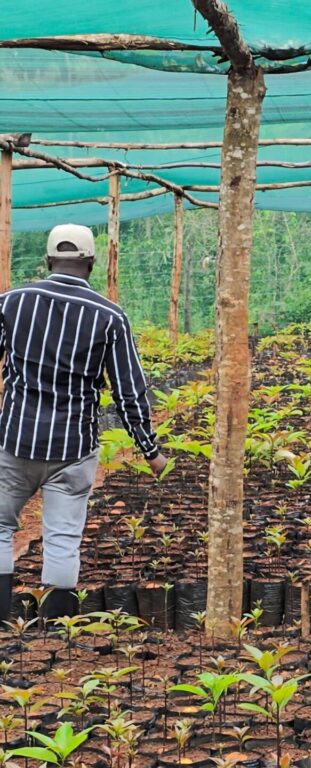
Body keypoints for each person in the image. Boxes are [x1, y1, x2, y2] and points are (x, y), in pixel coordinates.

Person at [0, 224, 168, 621]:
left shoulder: (11, 302)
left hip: (14, 439)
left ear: (47, 260)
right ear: (92, 263)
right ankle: (55, 633)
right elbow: (129, 391)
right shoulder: (109, 317)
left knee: (1, 527)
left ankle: (2, 626)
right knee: (63, 537)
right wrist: (150, 450)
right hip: (72, 447)